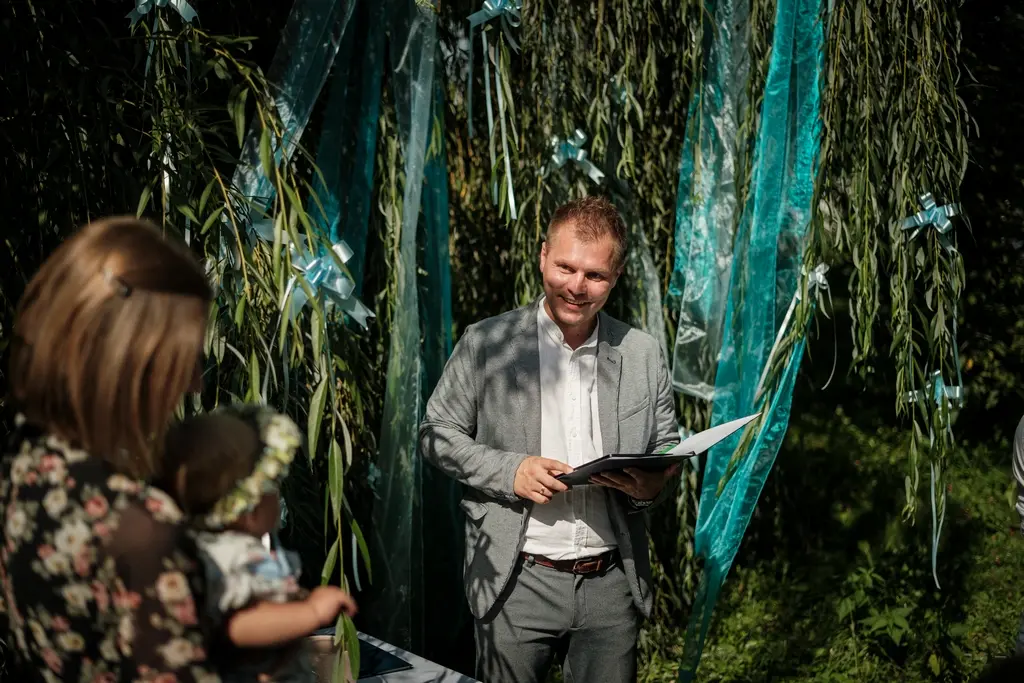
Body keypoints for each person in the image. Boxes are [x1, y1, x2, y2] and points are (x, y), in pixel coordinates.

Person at [420, 196, 680, 683]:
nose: (577, 287)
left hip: (611, 584)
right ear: (542, 257)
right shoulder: (488, 343)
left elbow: (666, 446)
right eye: (565, 267)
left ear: (617, 276)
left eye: (595, 275)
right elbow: (435, 434)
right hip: (516, 579)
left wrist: (652, 488)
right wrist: (510, 471)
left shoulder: (642, 353)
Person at [0, 217, 219, 681]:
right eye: (183, 360)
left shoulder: (23, 461)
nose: (196, 385)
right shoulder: (137, 526)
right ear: (129, 361)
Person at [160, 404, 357, 682]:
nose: (279, 497)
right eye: (273, 488)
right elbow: (236, 624)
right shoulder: (228, 557)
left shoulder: (245, 549)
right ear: (250, 510)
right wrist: (310, 612)